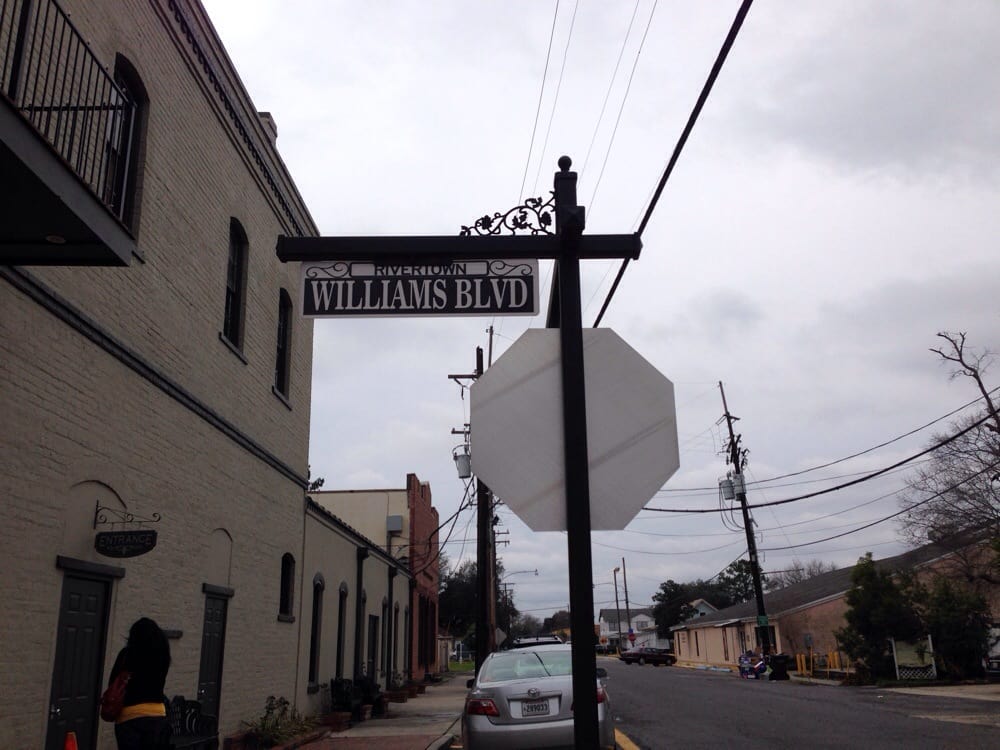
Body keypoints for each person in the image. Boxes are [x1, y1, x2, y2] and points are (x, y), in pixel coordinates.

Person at [108, 617, 172, 750]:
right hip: (157, 714)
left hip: (129, 716)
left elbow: (113, 683)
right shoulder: (163, 655)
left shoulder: (127, 655)